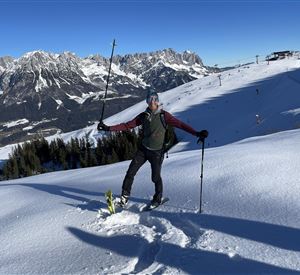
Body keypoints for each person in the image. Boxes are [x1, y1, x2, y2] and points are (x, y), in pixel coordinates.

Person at [97, 90, 208, 208]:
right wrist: (108, 128)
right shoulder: (144, 116)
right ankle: (124, 197)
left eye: (153, 99)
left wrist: (196, 133)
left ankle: (158, 198)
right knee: (130, 172)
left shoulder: (164, 116)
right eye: (149, 100)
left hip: (157, 152)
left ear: (157, 101)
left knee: (155, 177)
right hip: (143, 150)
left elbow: (180, 125)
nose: (151, 102)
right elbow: (127, 125)